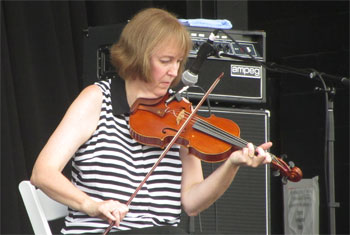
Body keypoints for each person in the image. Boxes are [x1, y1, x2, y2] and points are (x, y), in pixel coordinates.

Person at [31, 7, 272, 234]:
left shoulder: (181, 111)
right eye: (165, 61)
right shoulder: (96, 100)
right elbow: (43, 173)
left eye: (178, 62)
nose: (174, 71)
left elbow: (192, 203)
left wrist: (231, 165)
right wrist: (93, 205)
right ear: (138, 56)